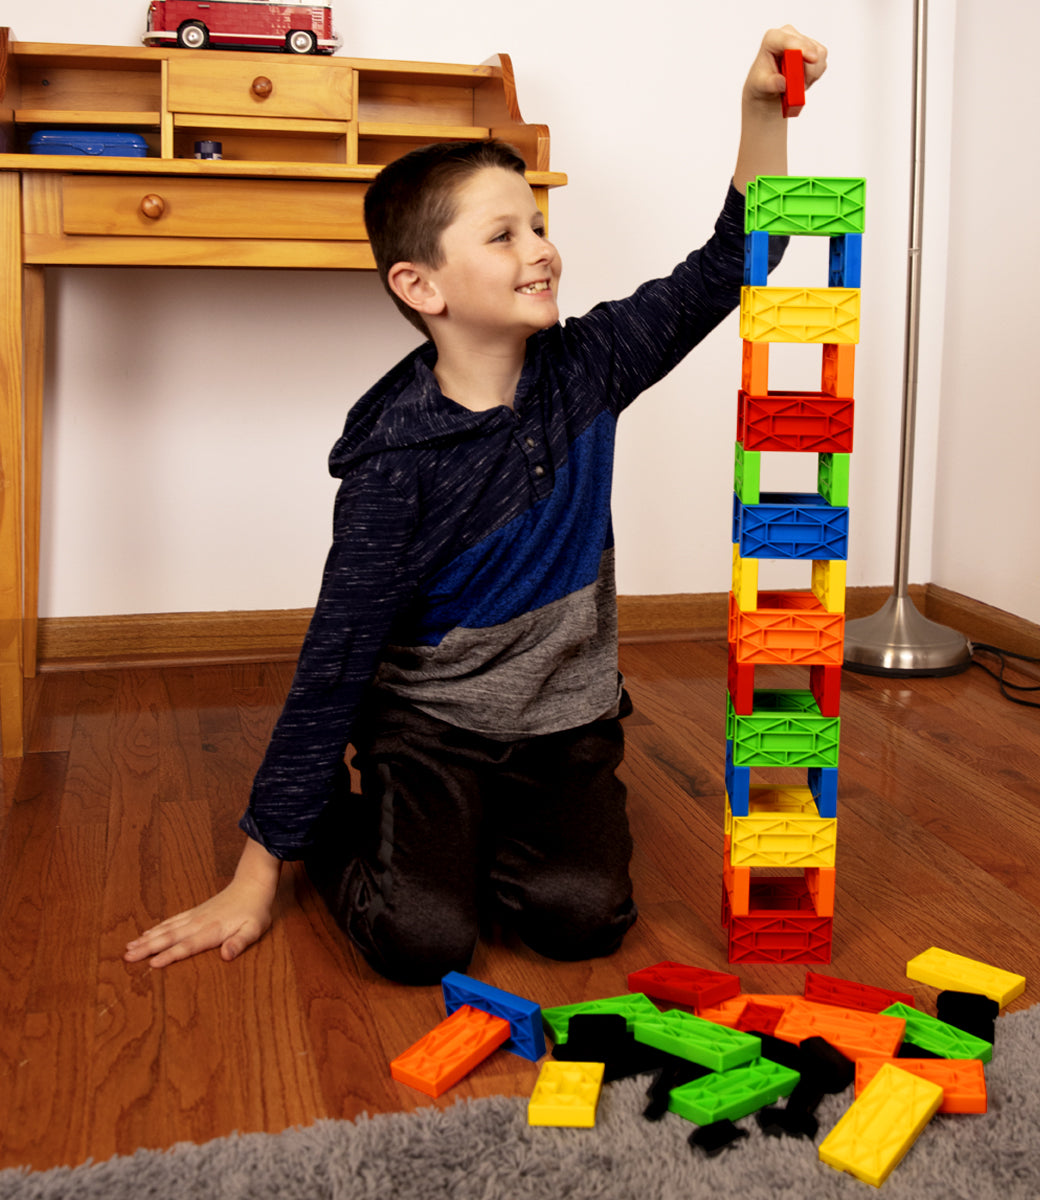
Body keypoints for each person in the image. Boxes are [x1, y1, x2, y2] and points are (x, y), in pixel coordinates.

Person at [125, 26, 828, 983]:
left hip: (564, 722)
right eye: (504, 236)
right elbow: (335, 662)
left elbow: (737, 259)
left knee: (583, 922)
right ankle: (350, 819)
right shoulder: (393, 463)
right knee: (420, 942)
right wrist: (258, 875)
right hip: (432, 731)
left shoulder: (592, 365)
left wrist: (758, 109)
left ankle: (486, 838)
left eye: (537, 226)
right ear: (420, 285)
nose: (542, 251)